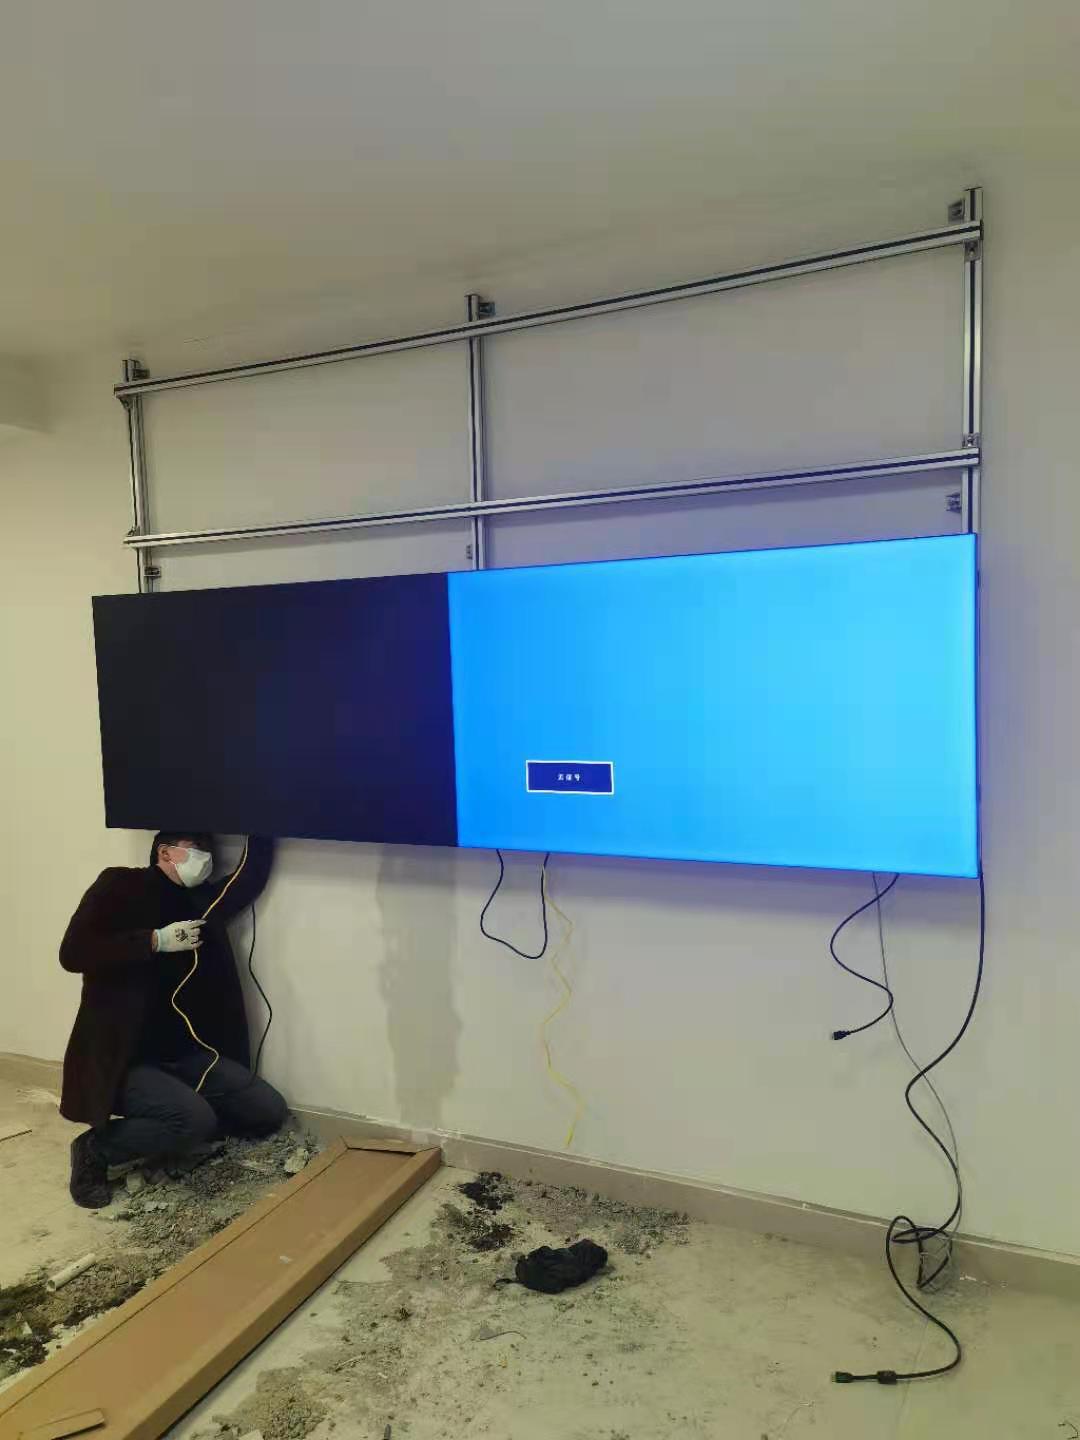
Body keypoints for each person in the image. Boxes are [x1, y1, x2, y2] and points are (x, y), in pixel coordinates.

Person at [60, 832, 285, 1208]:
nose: (207, 859)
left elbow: (247, 879)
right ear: (165, 852)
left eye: (210, 853)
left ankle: (185, 1117)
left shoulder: (201, 901)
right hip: (128, 1059)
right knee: (193, 1122)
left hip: (184, 1054)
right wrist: (153, 941)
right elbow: (73, 952)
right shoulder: (119, 885)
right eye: (198, 851)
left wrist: (263, 817)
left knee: (267, 1110)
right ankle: (97, 1149)